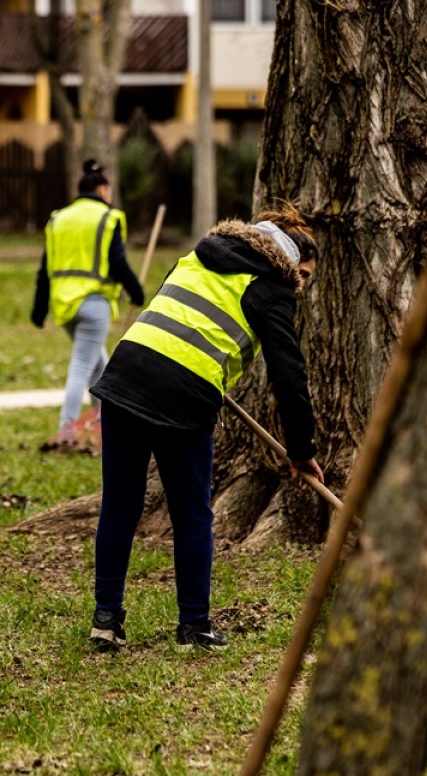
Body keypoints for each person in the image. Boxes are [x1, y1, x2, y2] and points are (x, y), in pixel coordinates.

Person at [86, 204, 325, 652]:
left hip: (126, 375)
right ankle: (194, 627)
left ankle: (106, 621)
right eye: (305, 275)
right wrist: (301, 449)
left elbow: (175, 311)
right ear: (290, 260)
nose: (303, 285)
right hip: (183, 397)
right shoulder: (272, 287)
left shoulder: (201, 253)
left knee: (120, 505)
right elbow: (288, 376)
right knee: (192, 514)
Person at [31, 159, 145, 448]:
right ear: (102, 188)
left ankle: (107, 423)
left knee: (99, 367)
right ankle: (67, 431)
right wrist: (136, 291)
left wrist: (39, 309)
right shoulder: (108, 217)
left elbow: (45, 266)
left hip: (64, 305)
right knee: (82, 366)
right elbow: (117, 262)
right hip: (94, 304)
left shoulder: (58, 218)